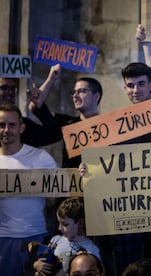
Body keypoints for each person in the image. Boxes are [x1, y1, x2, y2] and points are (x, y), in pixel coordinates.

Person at [89, 62, 151, 276]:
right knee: (126, 268)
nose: (136, 90)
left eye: (141, 84)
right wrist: (90, 167)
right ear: (125, 89)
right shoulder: (115, 125)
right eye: (130, 85)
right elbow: (106, 164)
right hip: (126, 212)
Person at [0, 104, 58, 275]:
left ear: (21, 127)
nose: (6, 130)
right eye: (1, 125)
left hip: (36, 236)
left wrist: (81, 174)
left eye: (12, 125)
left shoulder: (41, 158)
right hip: (3, 240)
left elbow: (64, 186)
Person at [28, 64, 103, 167]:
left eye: (81, 91)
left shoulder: (109, 126)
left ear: (96, 96)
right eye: (74, 92)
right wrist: (51, 79)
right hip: (71, 181)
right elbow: (35, 107)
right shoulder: (67, 124)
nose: (75, 96)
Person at [33, 197, 100, 275]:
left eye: (65, 224)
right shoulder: (56, 241)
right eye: (59, 223)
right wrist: (37, 265)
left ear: (81, 223)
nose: (59, 228)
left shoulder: (91, 250)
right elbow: (45, 260)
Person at [0, 77, 62, 147]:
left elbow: (54, 135)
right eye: (4, 88)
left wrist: (39, 105)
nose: (10, 92)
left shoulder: (21, 125)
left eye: (13, 88)